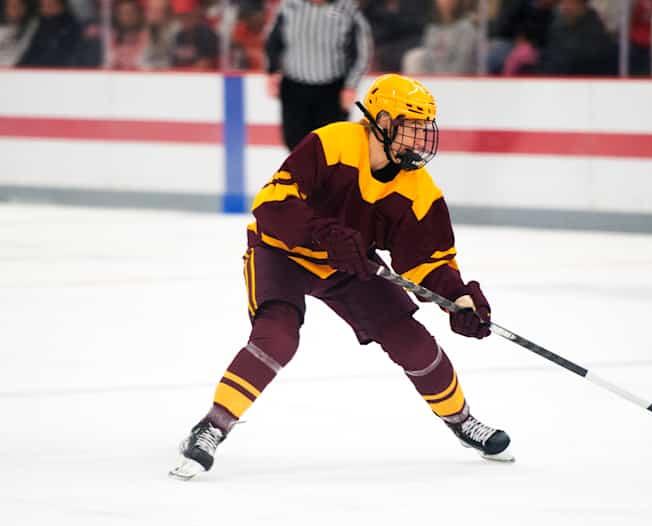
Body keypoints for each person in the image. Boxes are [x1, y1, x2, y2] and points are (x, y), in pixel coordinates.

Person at [170, 74, 513, 480]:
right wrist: (324, 233)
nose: (422, 141)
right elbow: (272, 203)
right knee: (278, 336)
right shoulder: (332, 143)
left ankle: (462, 421)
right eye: (413, 128)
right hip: (282, 253)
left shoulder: (419, 190)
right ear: (383, 122)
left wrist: (458, 298)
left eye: (426, 131)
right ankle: (212, 426)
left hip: (349, 266)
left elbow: (429, 260)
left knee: (412, 340)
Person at [265, 0, 373, 151]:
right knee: (295, 144)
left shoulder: (348, 10)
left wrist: (351, 86)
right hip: (294, 88)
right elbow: (273, 41)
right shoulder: (290, 6)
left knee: (330, 146)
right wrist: (272, 71)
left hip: (332, 90)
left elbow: (362, 53)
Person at [401, 0, 480, 75]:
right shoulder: (432, 28)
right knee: (414, 57)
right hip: (434, 79)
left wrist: (445, 80)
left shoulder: (467, 28)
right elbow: (429, 58)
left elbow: (463, 63)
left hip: (459, 80)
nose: (446, 1)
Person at [540, 0, 616, 76]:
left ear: (582, 5)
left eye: (571, 3)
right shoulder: (558, 25)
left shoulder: (594, 32)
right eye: (562, 2)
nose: (565, 7)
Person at [17, 0, 82, 67]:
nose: (44, 7)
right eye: (42, 5)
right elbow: (30, 52)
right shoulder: (38, 23)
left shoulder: (71, 26)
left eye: (49, 4)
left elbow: (64, 57)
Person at [0, 0, 38, 67]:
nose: (16, 9)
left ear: (25, 8)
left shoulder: (33, 27)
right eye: (12, 6)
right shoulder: (2, 30)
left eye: (19, 5)